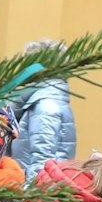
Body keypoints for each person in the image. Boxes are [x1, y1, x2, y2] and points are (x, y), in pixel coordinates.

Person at [12, 39, 79, 177]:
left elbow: (42, 162)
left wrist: (28, 197)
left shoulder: (45, 107)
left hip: (31, 192)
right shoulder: (44, 101)